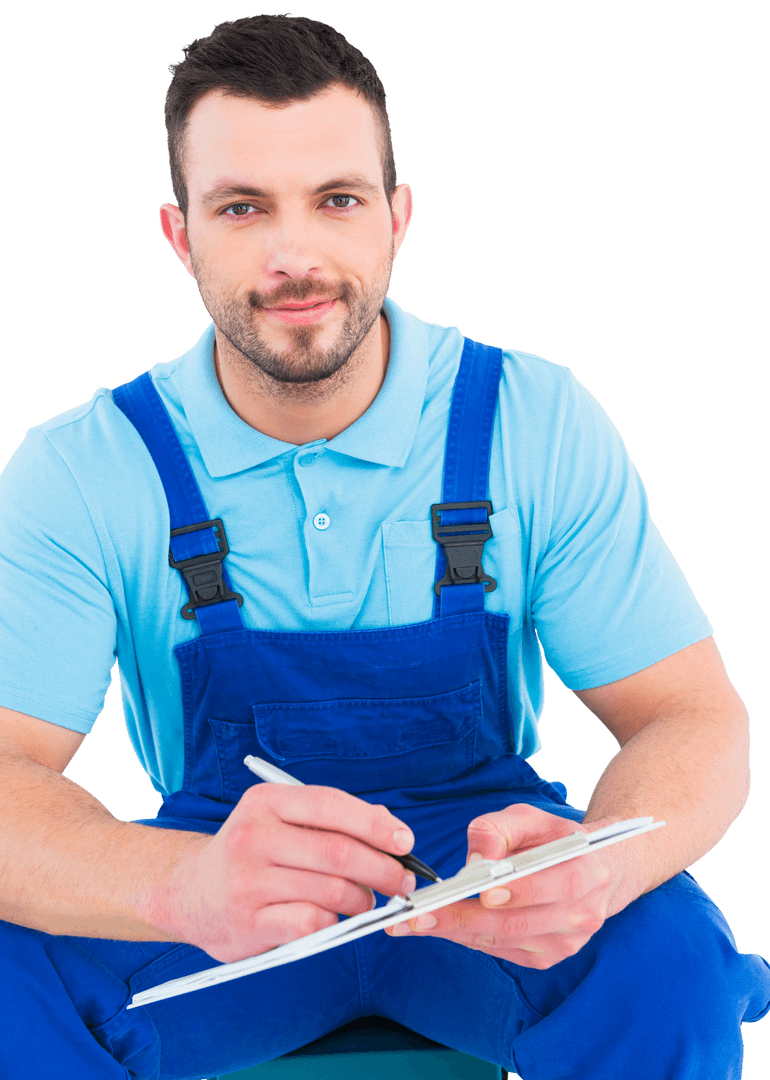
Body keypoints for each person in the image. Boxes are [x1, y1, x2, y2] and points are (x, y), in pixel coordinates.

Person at [0, 12, 767, 1079]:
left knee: (673, 969)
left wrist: (603, 865)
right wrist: (176, 886)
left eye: (338, 199)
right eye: (242, 207)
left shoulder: (530, 419)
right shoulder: (84, 467)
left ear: (396, 218)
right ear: (182, 236)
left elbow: (692, 716)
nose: (294, 255)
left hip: (482, 892)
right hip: (221, 886)